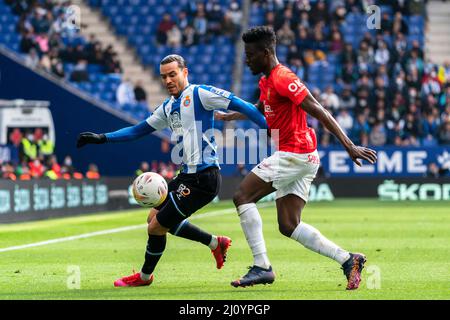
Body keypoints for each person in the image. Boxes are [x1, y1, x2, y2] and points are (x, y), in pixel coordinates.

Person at [76, 54, 268, 287]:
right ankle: (215, 243)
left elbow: (241, 105)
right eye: (163, 76)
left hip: (204, 178)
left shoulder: (200, 94)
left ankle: (145, 277)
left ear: (185, 73)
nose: (167, 80)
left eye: (172, 74)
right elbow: (138, 130)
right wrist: (102, 138)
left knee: (157, 226)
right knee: (153, 218)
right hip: (187, 175)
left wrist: (269, 127)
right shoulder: (168, 107)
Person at [215, 26, 377, 290]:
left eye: (251, 54)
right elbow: (261, 107)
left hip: (295, 153)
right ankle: (349, 260)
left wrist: (349, 145)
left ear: (266, 53)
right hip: (301, 155)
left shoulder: (283, 77)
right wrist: (230, 116)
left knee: (242, 196)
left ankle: (262, 266)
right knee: (289, 225)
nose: (247, 60)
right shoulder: (267, 80)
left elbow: (318, 109)